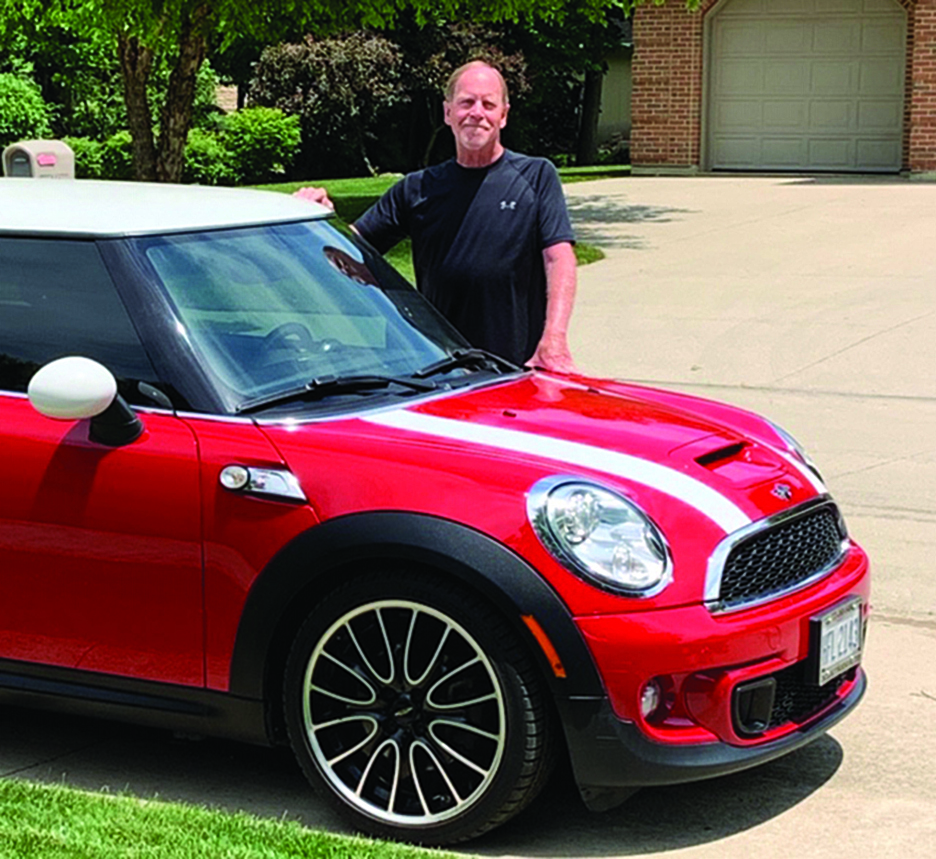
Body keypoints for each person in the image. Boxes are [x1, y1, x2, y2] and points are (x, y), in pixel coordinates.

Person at [296, 60, 578, 372]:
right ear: (448, 113)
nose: (477, 113)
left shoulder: (536, 176)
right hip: (441, 365)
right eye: (466, 102)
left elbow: (558, 258)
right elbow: (351, 252)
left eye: (488, 104)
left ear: (503, 115)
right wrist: (318, 220)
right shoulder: (417, 188)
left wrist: (554, 337)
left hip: (516, 363)